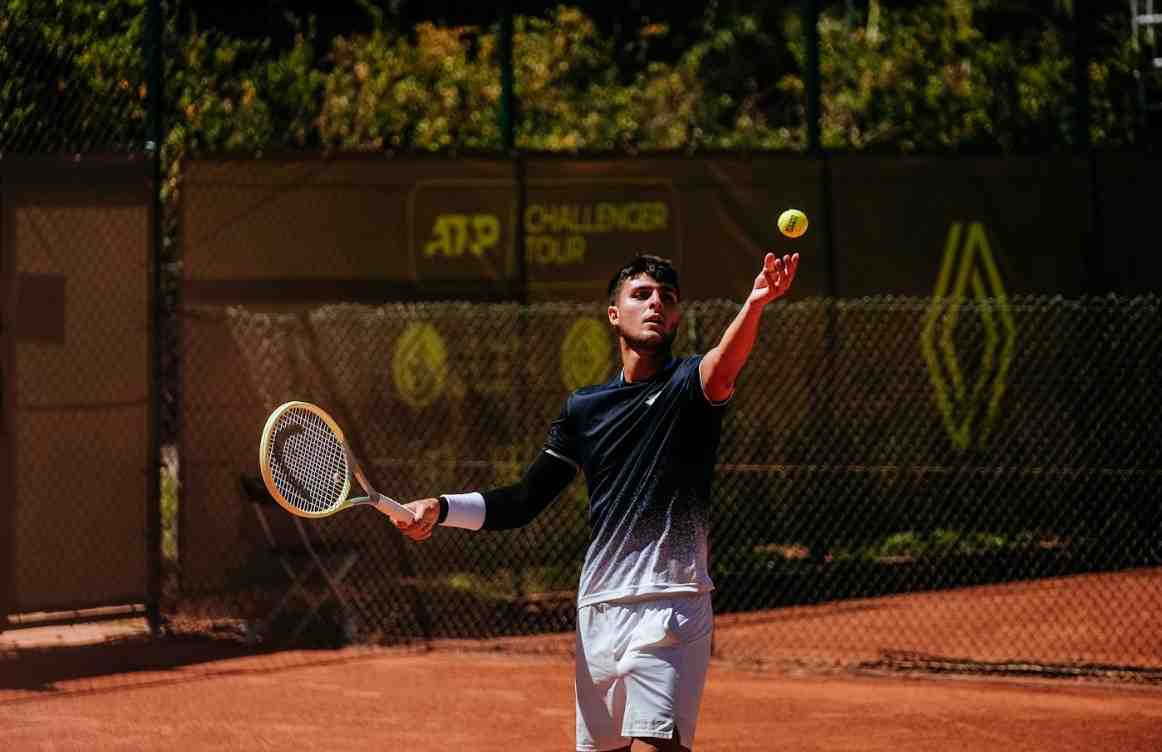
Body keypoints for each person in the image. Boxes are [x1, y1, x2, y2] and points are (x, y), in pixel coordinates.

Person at [394, 251, 799, 752]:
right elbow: (525, 499)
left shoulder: (690, 386)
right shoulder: (584, 409)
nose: (656, 304)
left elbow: (726, 360)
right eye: (642, 294)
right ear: (614, 314)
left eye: (667, 298)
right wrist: (441, 507)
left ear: (676, 317)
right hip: (598, 612)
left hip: (669, 605)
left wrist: (756, 302)